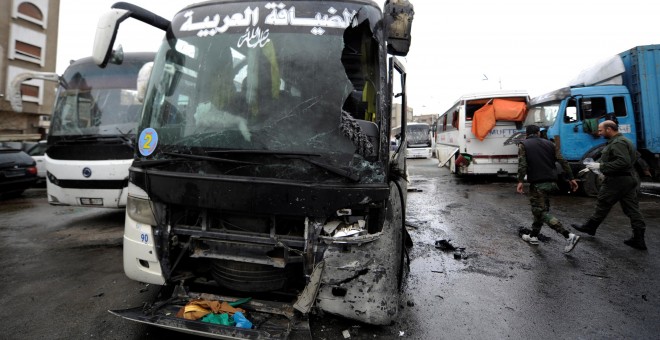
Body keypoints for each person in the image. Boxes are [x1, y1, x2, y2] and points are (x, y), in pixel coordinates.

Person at [572, 120, 647, 250]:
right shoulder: (620, 141)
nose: (599, 133)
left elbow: (623, 162)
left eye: (601, 130)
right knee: (631, 209)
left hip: (617, 180)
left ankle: (590, 227)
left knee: (603, 202)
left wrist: (601, 166)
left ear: (609, 129)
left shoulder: (618, 143)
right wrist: (592, 167)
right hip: (627, 179)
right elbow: (611, 158)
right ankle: (639, 239)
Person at [517, 125, 581, 253]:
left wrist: (520, 181)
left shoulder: (524, 144)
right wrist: (571, 178)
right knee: (540, 209)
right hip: (552, 183)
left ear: (527, 134)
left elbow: (522, 164)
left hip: (538, 184)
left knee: (540, 212)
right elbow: (563, 161)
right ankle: (534, 236)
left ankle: (568, 235)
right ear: (538, 133)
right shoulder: (550, 144)